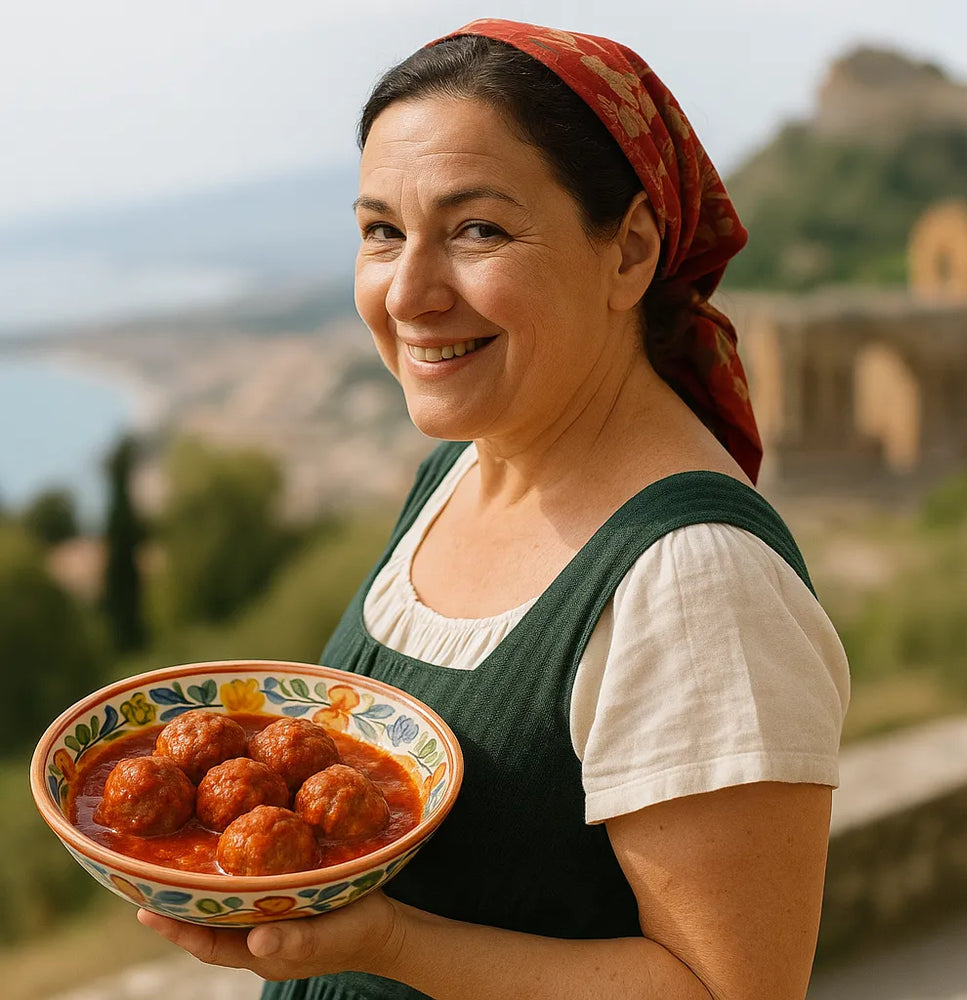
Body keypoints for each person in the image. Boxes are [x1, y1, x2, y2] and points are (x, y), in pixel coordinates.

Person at [138, 18, 849, 1000]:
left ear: (630, 251)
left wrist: (388, 943)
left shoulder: (694, 582)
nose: (410, 293)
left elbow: (727, 993)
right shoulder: (460, 472)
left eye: (477, 228)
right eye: (382, 231)